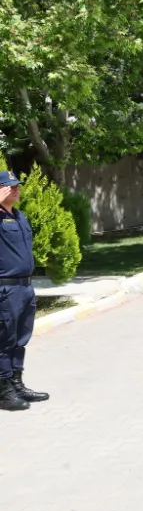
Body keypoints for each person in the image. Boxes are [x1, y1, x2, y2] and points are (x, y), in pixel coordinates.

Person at [0, 170, 49, 411]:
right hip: (5, 289)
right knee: (4, 340)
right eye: (9, 186)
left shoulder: (20, 217)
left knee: (20, 339)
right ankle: (4, 391)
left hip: (25, 287)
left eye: (17, 185)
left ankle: (17, 383)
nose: (16, 189)